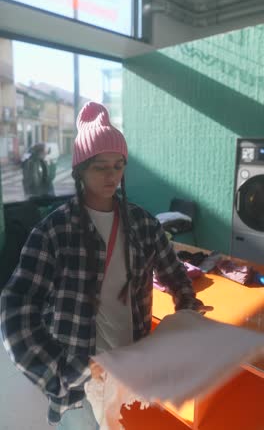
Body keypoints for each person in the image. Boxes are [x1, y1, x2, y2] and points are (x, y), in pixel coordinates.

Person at [0, 102, 209, 429]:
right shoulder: (55, 231)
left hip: (132, 371)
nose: (112, 175)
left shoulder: (142, 224)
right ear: (80, 168)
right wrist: (58, 372)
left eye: (119, 165)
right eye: (100, 166)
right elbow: (15, 308)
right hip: (80, 382)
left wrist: (186, 315)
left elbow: (176, 275)